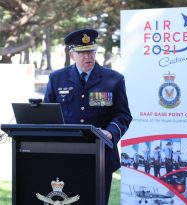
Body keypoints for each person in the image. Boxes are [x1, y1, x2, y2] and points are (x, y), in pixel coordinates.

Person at [44, 28, 132, 204]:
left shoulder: (114, 79)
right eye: (82, 52)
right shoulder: (57, 79)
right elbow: (48, 115)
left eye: (91, 51)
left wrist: (110, 133)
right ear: (72, 55)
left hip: (101, 156)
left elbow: (123, 115)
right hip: (66, 155)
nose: (88, 57)